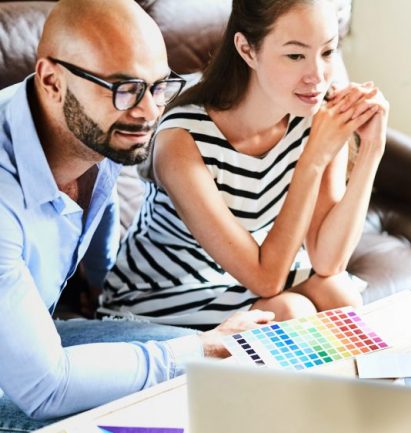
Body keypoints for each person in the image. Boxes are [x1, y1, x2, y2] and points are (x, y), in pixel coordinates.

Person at [0, 1, 275, 430]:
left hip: (37, 339)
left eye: (159, 86)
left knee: (222, 365)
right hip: (25, 381)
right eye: (125, 87)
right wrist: (197, 350)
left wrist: (99, 278)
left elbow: (99, 207)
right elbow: (45, 387)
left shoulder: (99, 132)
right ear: (52, 81)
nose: (150, 111)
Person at [98, 0, 389, 329]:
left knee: (340, 295)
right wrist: (313, 160)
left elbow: (328, 260)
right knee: (291, 314)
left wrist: (372, 148)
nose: (317, 77)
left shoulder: (316, 116)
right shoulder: (182, 139)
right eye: (295, 55)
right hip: (161, 290)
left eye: (327, 52)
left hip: (241, 275)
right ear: (247, 50)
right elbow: (267, 282)